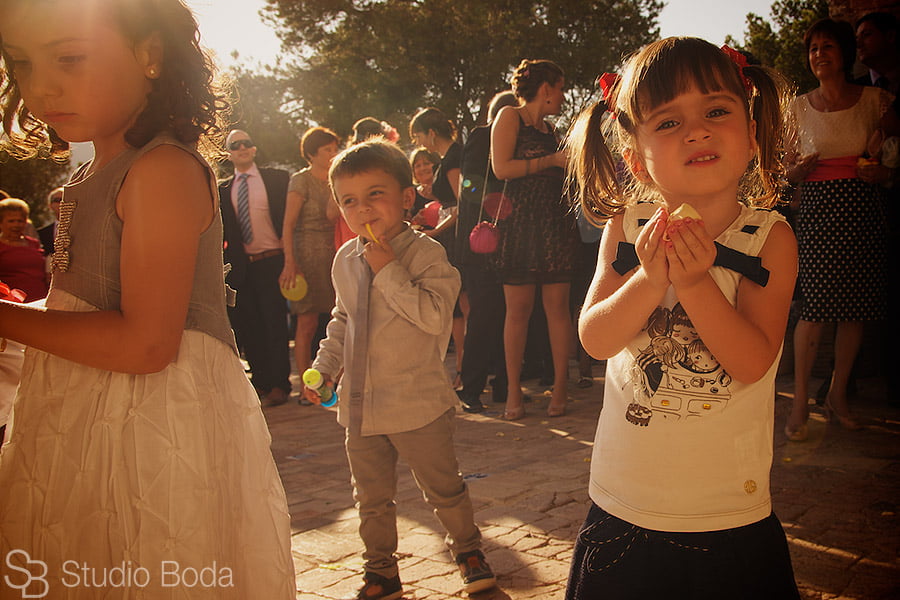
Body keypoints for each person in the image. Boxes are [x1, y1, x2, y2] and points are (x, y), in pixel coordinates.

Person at [0, 0, 294, 597]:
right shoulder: (92, 173)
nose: (40, 85)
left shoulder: (160, 169)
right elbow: (76, 310)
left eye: (70, 57)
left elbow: (145, 343)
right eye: (20, 63)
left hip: (149, 429)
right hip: (82, 417)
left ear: (150, 54)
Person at [566, 38, 800, 599]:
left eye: (716, 111)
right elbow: (596, 339)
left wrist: (693, 283)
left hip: (726, 512)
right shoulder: (626, 228)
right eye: (668, 121)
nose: (697, 130)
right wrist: (651, 278)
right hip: (622, 502)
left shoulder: (768, 239)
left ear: (750, 134)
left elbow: (751, 360)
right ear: (634, 156)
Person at [306, 139, 496, 599]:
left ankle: (468, 550)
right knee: (370, 499)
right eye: (349, 200)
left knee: (444, 489)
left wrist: (389, 269)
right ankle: (381, 571)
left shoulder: (427, 256)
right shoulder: (344, 261)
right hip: (361, 408)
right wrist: (325, 366)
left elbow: (435, 317)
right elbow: (342, 318)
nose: (363, 209)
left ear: (406, 198)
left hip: (418, 404)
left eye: (375, 194)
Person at [784, 19, 894, 441]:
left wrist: (883, 173)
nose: (818, 54)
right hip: (816, 212)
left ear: (845, 53)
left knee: (855, 309)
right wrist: (798, 171)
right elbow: (786, 172)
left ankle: (837, 397)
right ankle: (798, 405)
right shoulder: (797, 108)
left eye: (827, 46)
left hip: (862, 207)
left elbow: (892, 163)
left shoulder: (877, 101)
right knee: (812, 310)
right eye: (813, 49)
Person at [490, 59, 579, 420]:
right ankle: (514, 390)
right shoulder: (510, 116)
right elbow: (501, 168)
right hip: (520, 224)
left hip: (554, 225)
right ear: (546, 89)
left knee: (558, 309)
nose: (562, 96)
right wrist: (551, 160)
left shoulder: (552, 130)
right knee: (518, 312)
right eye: (560, 88)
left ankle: (560, 388)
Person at [454, 90, 517, 412]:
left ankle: (505, 386)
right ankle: (471, 388)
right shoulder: (481, 137)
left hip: (508, 242)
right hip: (483, 244)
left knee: (510, 316)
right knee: (483, 317)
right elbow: (471, 186)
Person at [220, 129, 293, 406]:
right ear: (228, 153)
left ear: (254, 149)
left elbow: (290, 220)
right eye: (235, 145)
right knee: (249, 328)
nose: (241, 148)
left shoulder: (277, 180)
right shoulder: (223, 189)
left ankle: (280, 386)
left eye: (246, 143)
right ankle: (261, 384)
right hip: (242, 268)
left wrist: (291, 260)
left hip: (274, 260)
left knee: (275, 325)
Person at [409, 107, 467, 387]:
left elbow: (462, 203)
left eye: (418, 135)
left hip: (456, 240)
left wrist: (436, 230)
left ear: (431, 133)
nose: (419, 142)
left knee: (464, 307)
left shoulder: (454, 157)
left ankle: (466, 369)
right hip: (449, 236)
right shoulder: (448, 158)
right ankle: (463, 368)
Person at [279, 126, 340, 380]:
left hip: (334, 254)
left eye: (335, 149)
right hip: (306, 255)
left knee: (337, 321)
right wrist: (290, 262)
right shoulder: (300, 180)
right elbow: (288, 224)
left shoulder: (338, 179)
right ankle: (305, 383)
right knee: (307, 322)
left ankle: (334, 379)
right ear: (312, 154)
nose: (333, 154)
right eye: (328, 150)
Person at [0, 197, 49, 301]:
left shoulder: (34, 243)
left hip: (40, 303)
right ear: (1, 222)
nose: (16, 225)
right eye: (11, 221)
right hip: (12, 307)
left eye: (20, 221)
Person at [409, 146, 441, 221]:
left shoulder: (445, 189)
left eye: (426, 163)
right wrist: (415, 220)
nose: (422, 168)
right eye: (418, 166)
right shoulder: (411, 194)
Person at [37, 186, 63, 255]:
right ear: (50, 205)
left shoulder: (81, 230)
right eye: (58, 200)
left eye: (65, 199)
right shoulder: (41, 233)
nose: (62, 203)